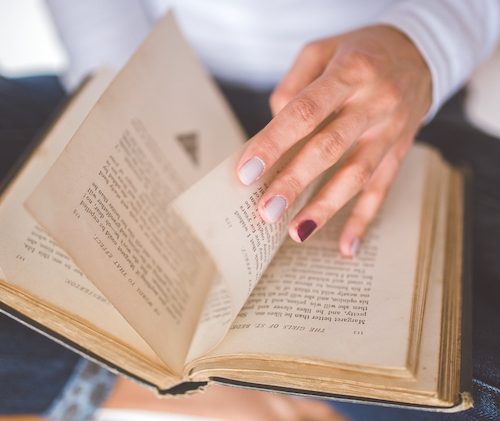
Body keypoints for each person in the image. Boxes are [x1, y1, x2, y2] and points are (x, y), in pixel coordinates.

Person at [1, 0, 499, 419]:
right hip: (165, 83)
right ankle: (153, 384)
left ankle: (119, 374)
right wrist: (128, 107)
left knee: (465, 379)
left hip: (393, 106)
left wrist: (423, 47)